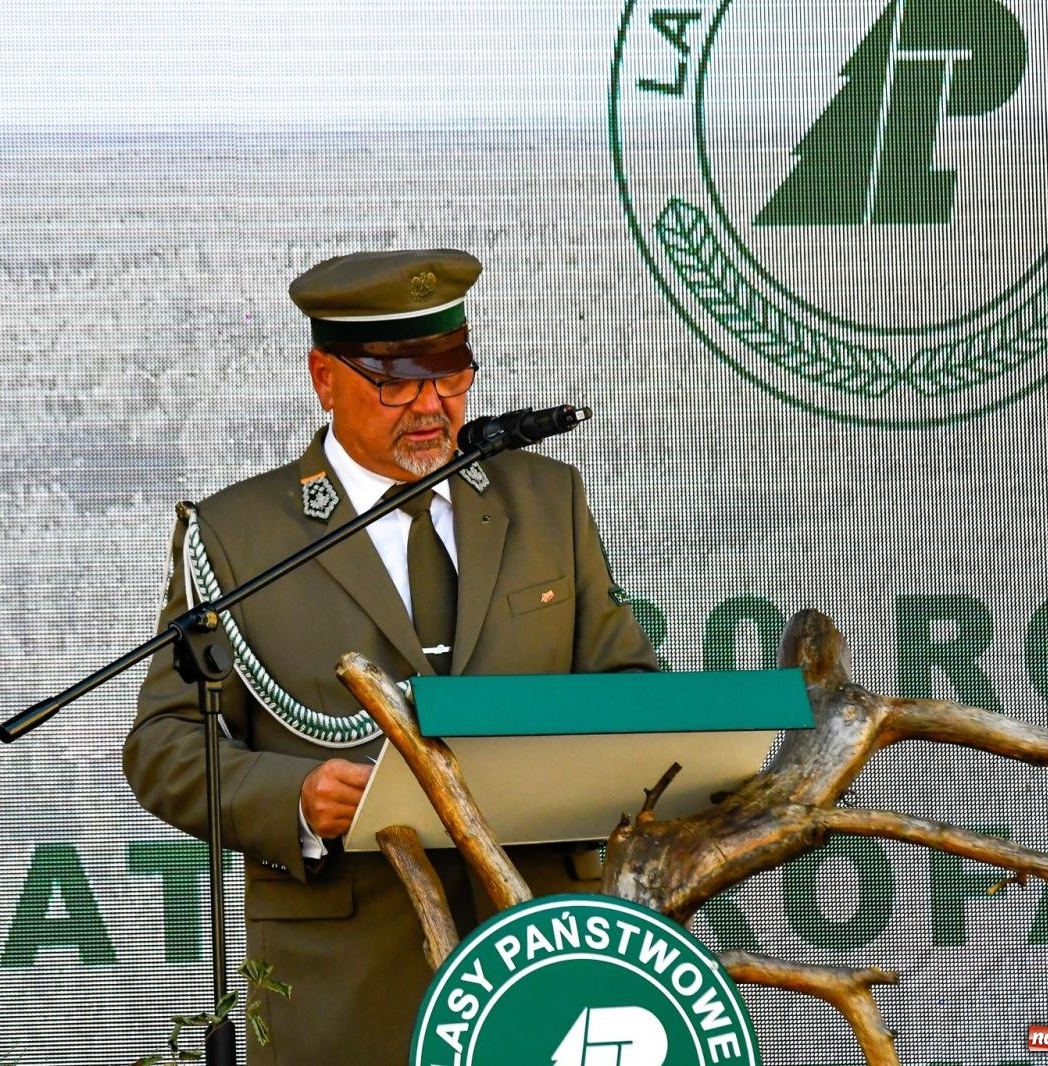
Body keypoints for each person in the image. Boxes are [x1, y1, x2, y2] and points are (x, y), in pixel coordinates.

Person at [122, 248, 658, 1066]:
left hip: (544, 953)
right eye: (396, 384)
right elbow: (163, 744)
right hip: (345, 980)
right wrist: (295, 798)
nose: (431, 406)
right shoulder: (237, 535)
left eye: (451, 376)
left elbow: (630, 690)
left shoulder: (547, 499)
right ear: (324, 378)